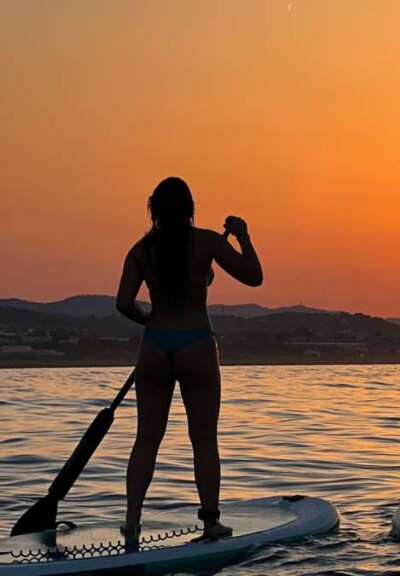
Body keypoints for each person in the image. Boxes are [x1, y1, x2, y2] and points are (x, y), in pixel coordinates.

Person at [115, 176, 263, 541]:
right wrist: (242, 234)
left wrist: (150, 320)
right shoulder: (207, 241)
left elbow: (122, 303)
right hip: (196, 343)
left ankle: (132, 522)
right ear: (190, 208)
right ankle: (211, 522)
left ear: (155, 210)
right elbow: (254, 277)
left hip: (153, 346)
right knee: (204, 440)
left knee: (146, 439)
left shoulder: (141, 249)